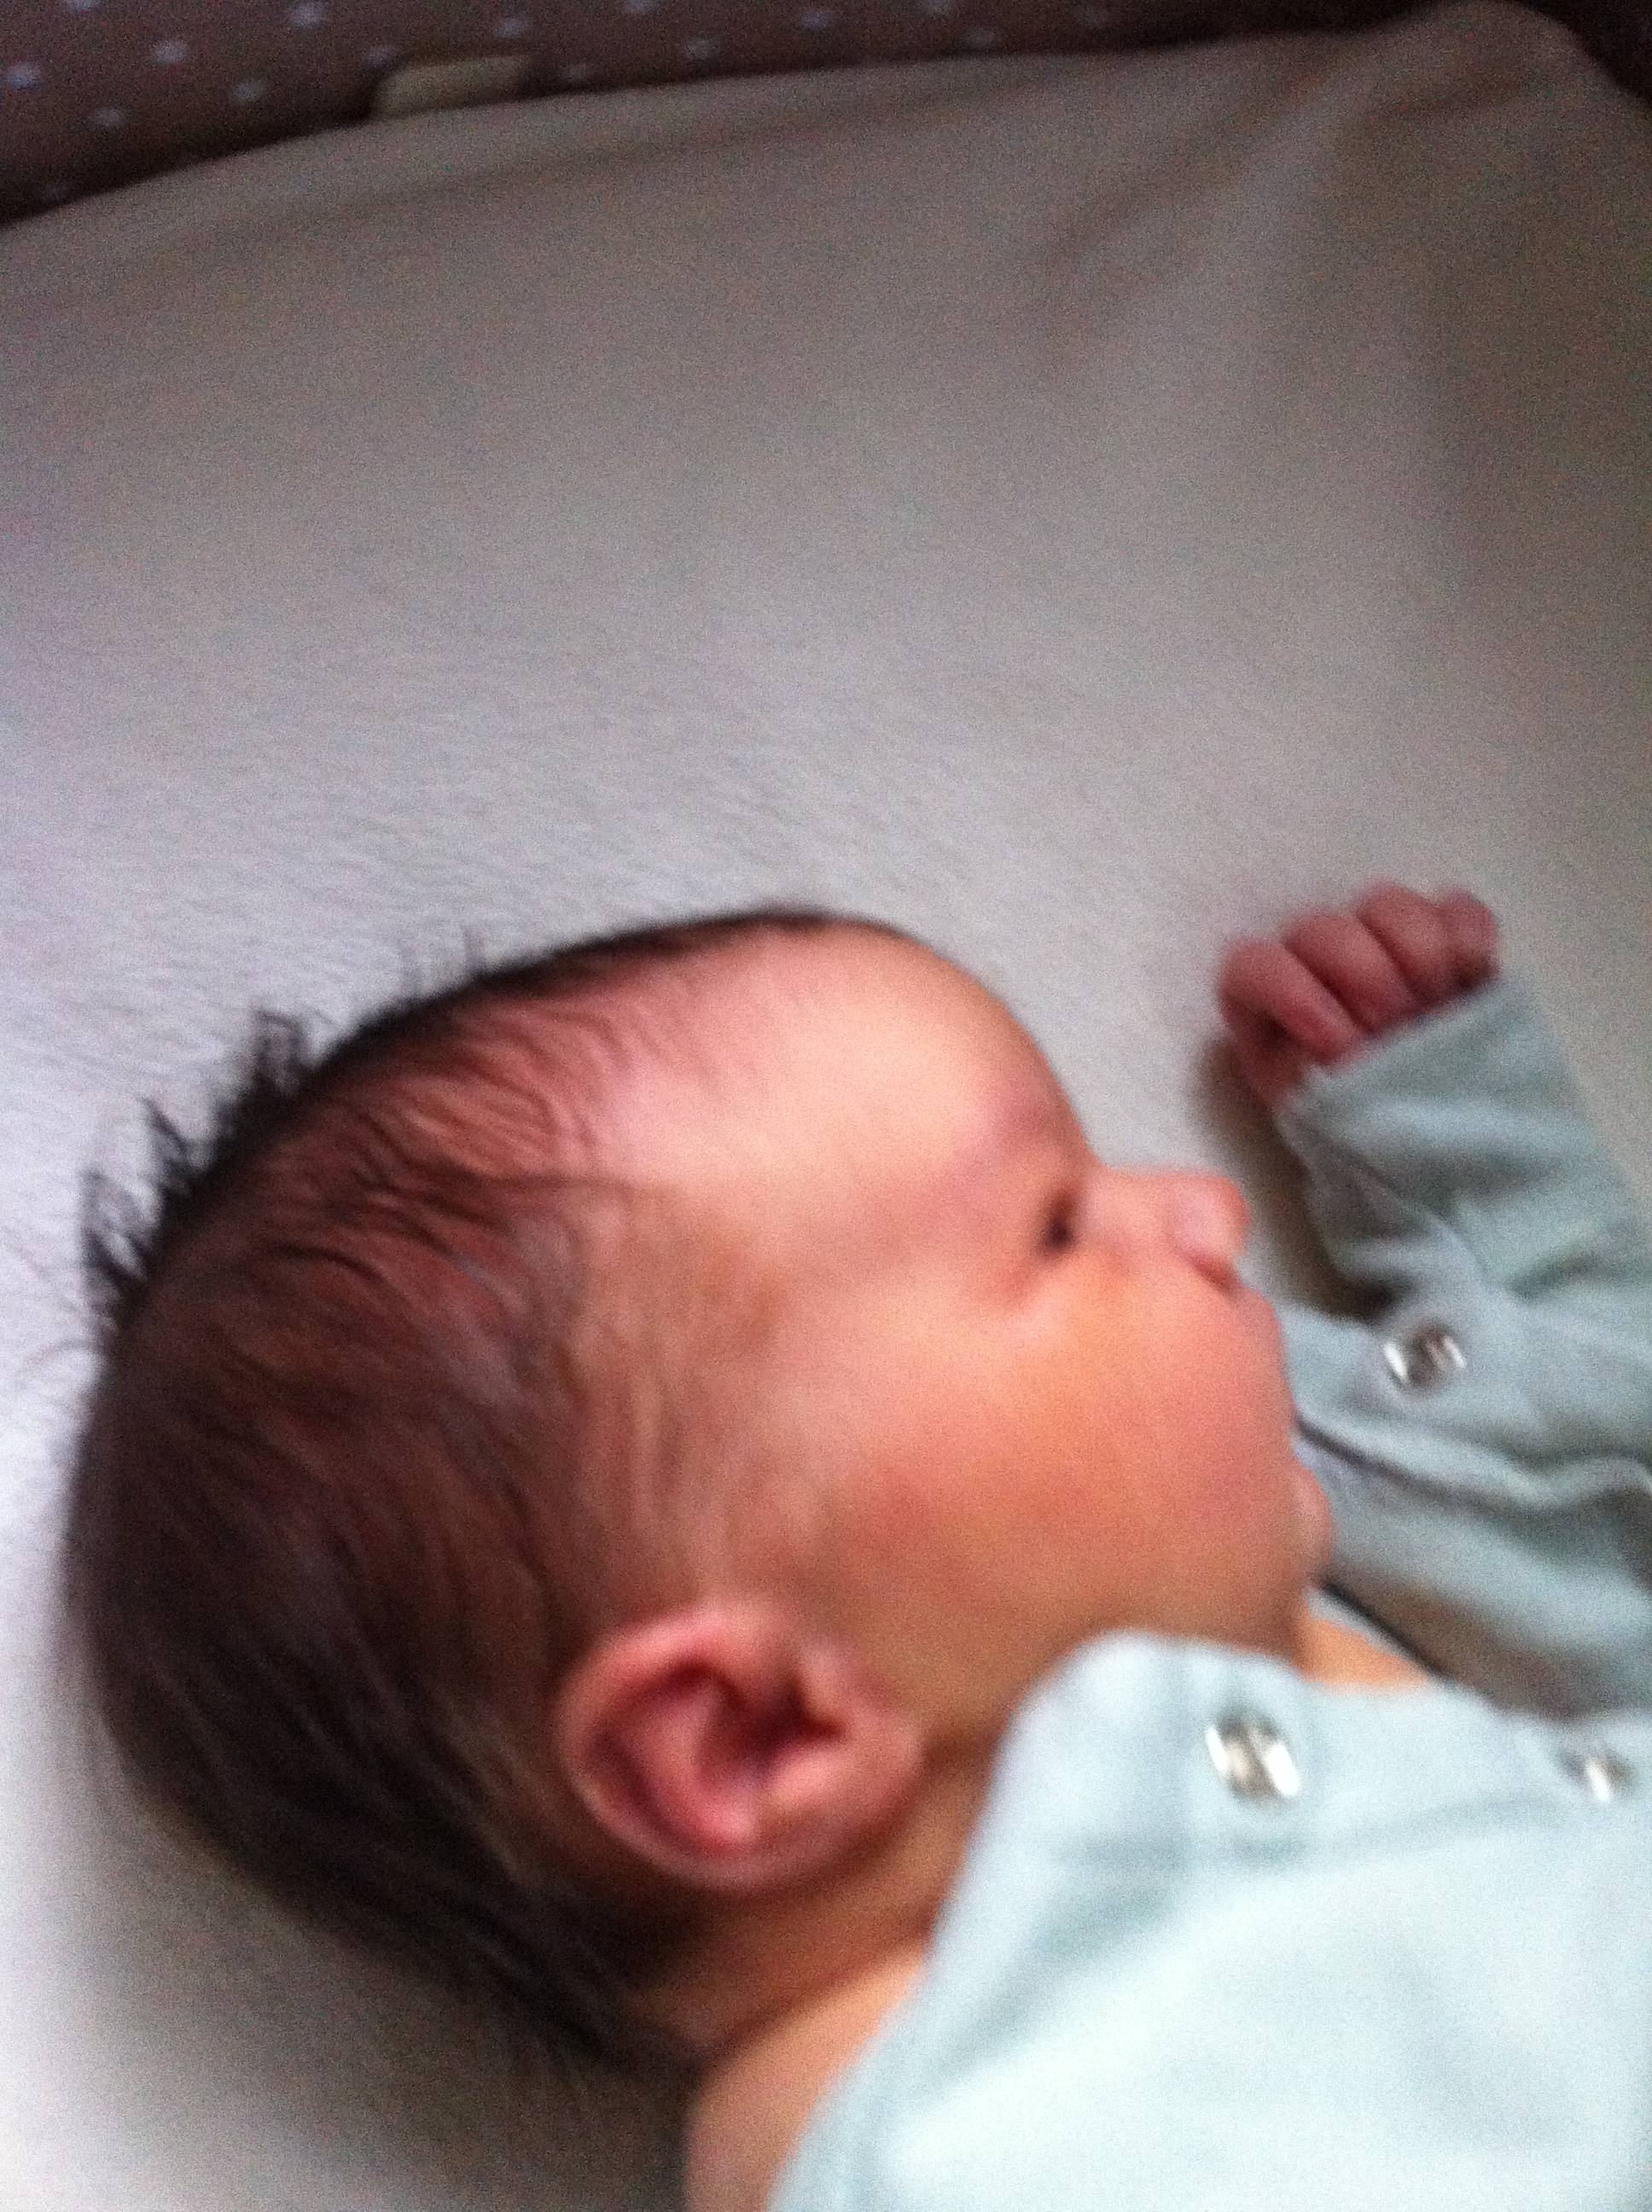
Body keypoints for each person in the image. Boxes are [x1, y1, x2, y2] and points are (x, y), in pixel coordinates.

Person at [61, 884, 1652, 2212]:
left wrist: (1461, 1148)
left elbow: (1589, 1458)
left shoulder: (1254, 1503)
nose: (1200, 1212)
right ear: (761, 1736)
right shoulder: (981, 2144)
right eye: (1055, 1227)